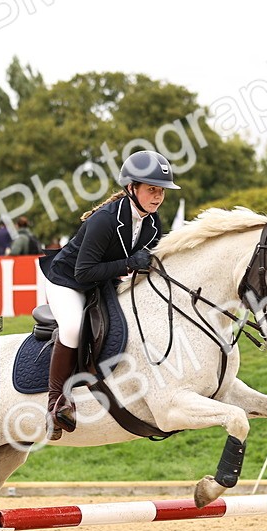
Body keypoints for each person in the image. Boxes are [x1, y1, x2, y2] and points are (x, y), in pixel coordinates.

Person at [39, 149, 178, 438]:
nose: (157, 196)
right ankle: (56, 404)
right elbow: (83, 273)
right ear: (131, 188)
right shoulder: (104, 220)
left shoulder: (153, 224)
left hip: (104, 281)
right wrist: (128, 264)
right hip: (68, 281)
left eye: (161, 191)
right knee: (74, 328)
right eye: (151, 189)